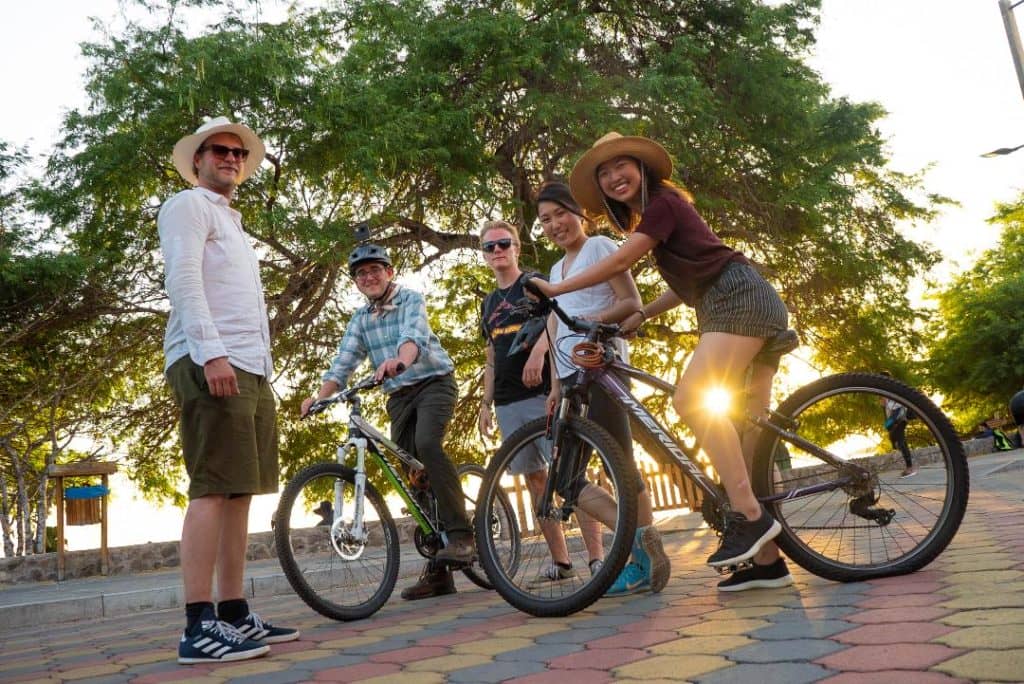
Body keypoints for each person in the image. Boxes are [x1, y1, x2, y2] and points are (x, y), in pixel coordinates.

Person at [531, 133, 793, 593]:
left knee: (693, 401)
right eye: (604, 174)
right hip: (723, 301)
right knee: (748, 434)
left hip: (739, 300)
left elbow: (622, 260)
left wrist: (555, 292)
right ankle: (768, 562)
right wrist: (642, 313)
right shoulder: (657, 218)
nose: (614, 178)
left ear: (643, 166)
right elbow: (685, 286)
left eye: (620, 166)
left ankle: (750, 518)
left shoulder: (664, 204)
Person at [160, 117, 298, 664]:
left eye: (238, 153)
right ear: (197, 160)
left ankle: (234, 612)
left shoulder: (231, 220)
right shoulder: (187, 206)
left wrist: (255, 364)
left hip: (250, 364)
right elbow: (184, 280)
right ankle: (198, 626)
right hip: (211, 359)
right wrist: (210, 351)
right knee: (213, 487)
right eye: (219, 150)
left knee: (240, 490)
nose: (231, 158)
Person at [301, 244, 473, 600]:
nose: (369, 277)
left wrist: (399, 360)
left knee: (426, 445)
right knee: (413, 474)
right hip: (399, 398)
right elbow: (342, 365)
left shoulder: (410, 300)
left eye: (375, 270)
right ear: (357, 282)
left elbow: (414, 338)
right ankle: (439, 572)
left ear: (389, 272)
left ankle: (462, 536)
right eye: (361, 274)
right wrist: (319, 397)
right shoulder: (361, 320)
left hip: (433, 384)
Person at [534, 181, 670, 596]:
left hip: (603, 369)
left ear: (580, 213)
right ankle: (641, 545)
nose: (555, 224)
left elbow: (631, 302)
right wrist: (555, 382)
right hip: (571, 381)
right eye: (545, 220)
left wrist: (595, 332)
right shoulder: (556, 270)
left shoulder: (601, 247)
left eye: (561, 213)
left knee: (622, 465)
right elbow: (555, 323)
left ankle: (642, 560)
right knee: (567, 479)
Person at [477, 219, 605, 585]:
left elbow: (558, 320)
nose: (498, 251)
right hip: (508, 400)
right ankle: (562, 562)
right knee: (537, 480)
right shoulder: (488, 303)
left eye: (504, 244)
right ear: (484, 255)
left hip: (545, 393)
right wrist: (486, 404)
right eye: (490, 247)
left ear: (516, 247)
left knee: (570, 473)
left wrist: (538, 352)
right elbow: (490, 355)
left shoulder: (534, 284)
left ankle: (598, 559)